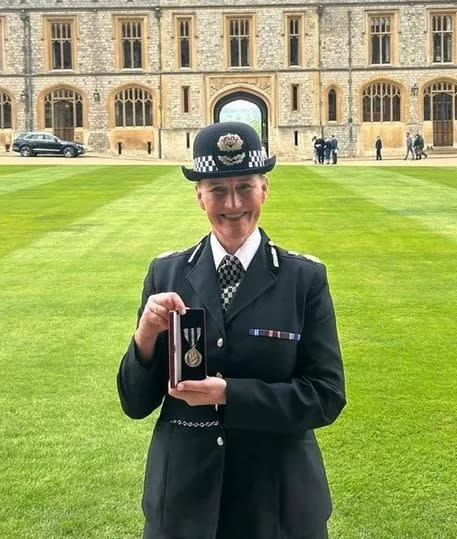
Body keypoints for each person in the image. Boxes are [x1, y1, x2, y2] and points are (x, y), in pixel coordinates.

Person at [117, 121, 346, 539]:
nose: (233, 202)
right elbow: (135, 403)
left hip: (277, 502)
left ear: (265, 189)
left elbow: (326, 397)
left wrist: (229, 394)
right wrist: (145, 337)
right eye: (218, 189)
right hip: (184, 503)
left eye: (245, 186)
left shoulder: (303, 278)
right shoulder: (166, 272)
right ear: (198, 195)